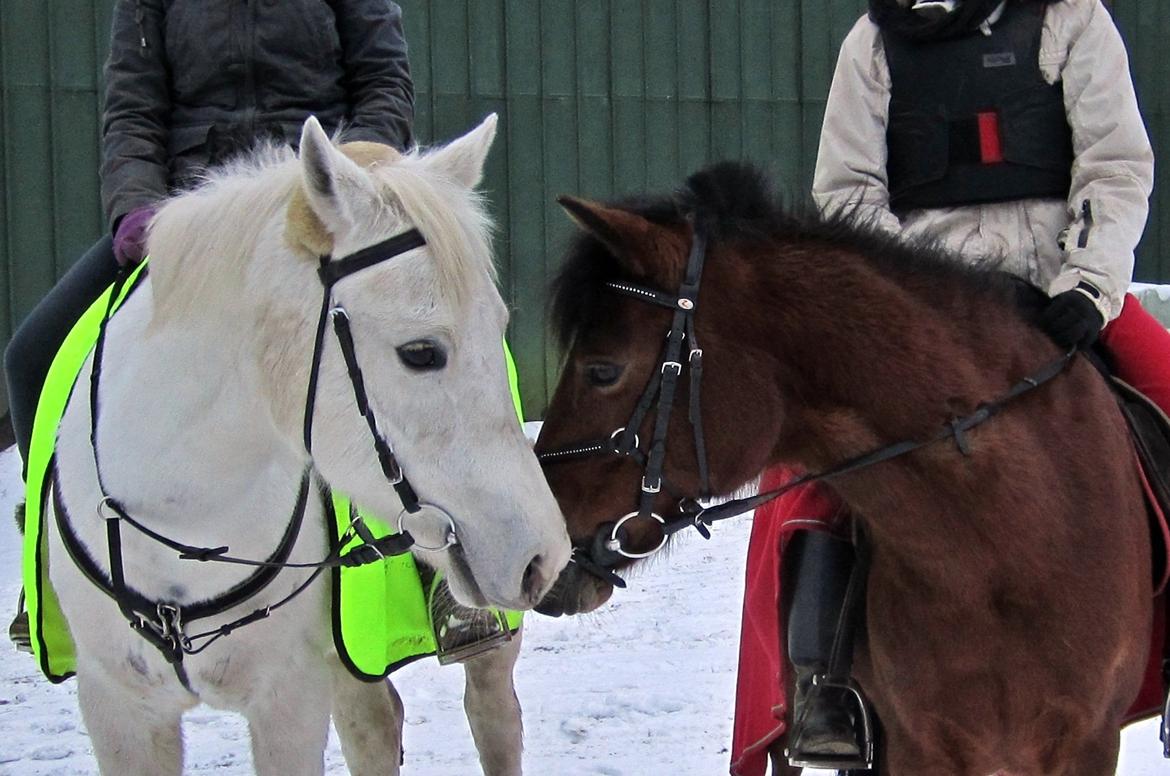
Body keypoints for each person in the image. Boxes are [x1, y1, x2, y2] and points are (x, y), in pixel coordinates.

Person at [730, 0, 1168, 772]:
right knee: (805, 473)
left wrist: (1087, 284)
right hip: (921, 324)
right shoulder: (873, 43)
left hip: (1060, 292)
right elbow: (848, 190)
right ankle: (820, 686)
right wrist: (919, 313)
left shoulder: (1072, 19)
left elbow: (1114, 162)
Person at [6, 0, 414, 650]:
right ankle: (52, 556)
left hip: (318, 202)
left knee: (432, 344)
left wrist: (344, 183)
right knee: (31, 356)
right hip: (193, 212)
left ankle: (444, 571)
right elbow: (134, 110)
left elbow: (384, 85)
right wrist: (138, 208)